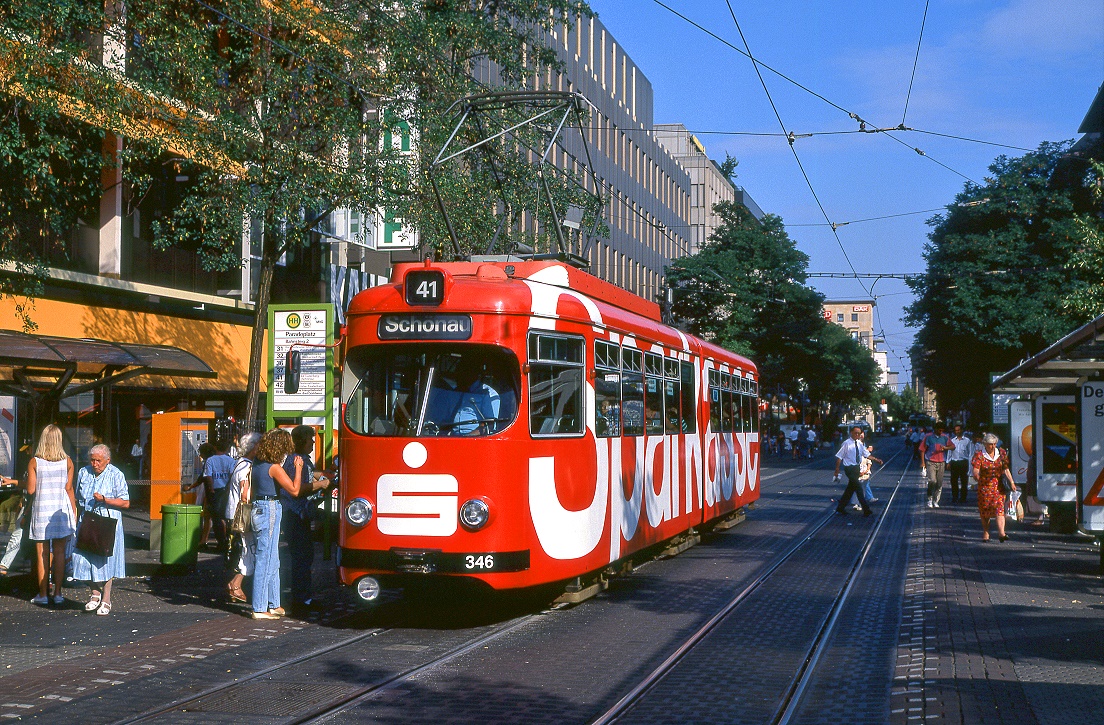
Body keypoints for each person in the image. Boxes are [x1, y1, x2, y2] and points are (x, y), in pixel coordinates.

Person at [249, 429, 304, 620]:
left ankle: (274, 603)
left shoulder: (257, 463)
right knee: (265, 559)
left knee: (272, 557)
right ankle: (259, 607)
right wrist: (298, 468)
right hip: (270, 507)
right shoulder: (274, 468)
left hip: (259, 507)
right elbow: (295, 490)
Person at [70, 444, 129, 615]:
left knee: (104, 560)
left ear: (107, 461)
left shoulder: (116, 474)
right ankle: (94, 593)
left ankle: (106, 598)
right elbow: (78, 498)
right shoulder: (84, 472)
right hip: (87, 519)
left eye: (99, 461)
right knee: (81, 558)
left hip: (107, 521)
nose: (95, 464)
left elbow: (125, 502)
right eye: (92, 460)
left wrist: (105, 499)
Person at [281, 426, 330, 615]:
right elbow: (298, 488)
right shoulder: (296, 462)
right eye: (311, 438)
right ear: (302, 441)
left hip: (300, 514)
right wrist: (322, 484)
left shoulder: (304, 461)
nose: (314, 442)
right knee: (301, 557)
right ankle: (301, 600)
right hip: (295, 514)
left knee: (305, 556)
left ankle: (304, 597)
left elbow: (309, 475)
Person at [26, 425, 76, 605]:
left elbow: (31, 490)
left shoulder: (35, 462)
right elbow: (69, 489)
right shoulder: (68, 462)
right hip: (60, 512)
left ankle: (43, 594)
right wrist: (74, 513)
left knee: (42, 553)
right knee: (60, 552)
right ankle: (58, 593)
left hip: (42, 511)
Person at [226, 431, 262, 604]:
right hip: (242, 515)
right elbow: (245, 493)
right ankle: (236, 584)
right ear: (253, 447)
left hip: (232, 513)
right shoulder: (247, 466)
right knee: (249, 550)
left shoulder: (238, 463)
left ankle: (236, 584)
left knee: (245, 549)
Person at [971, 433, 1017, 542]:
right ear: (985, 444)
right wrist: (977, 476)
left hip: (998, 486)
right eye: (990, 444)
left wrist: (1012, 482)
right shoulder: (979, 455)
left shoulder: (1001, 453)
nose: (992, 446)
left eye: (994, 444)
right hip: (984, 487)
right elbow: (976, 470)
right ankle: (986, 532)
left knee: (999, 509)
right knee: (985, 511)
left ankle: (1002, 533)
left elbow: (1006, 469)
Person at [834, 426, 880, 516]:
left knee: (850, 490)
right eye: (855, 433)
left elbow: (866, 454)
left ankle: (840, 508)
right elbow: (839, 457)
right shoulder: (846, 443)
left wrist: (876, 459)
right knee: (859, 489)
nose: (857, 435)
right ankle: (866, 509)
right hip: (849, 468)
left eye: (859, 433)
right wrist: (837, 469)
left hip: (856, 468)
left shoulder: (859, 443)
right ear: (851, 433)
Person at [200, 439, 235, 558]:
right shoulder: (231, 461)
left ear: (215, 448)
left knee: (216, 518)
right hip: (225, 490)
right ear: (226, 449)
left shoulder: (210, 460)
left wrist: (211, 489)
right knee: (225, 517)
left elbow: (208, 476)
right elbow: (231, 476)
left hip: (215, 490)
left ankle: (221, 542)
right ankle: (227, 542)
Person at [920, 422, 954, 508]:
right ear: (935, 429)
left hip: (941, 462)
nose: (940, 432)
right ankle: (930, 498)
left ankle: (936, 500)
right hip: (930, 461)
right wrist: (923, 463)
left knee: (939, 483)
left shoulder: (945, 437)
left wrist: (945, 448)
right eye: (939, 430)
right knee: (932, 481)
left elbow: (953, 447)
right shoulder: (928, 437)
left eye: (942, 430)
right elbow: (922, 449)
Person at [946, 424, 973, 504]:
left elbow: (970, 453)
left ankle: (963, 498)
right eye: (956, 430)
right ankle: (955, 497)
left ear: (962, 430)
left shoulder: (967, 441)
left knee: (964, 481)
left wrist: (970, 465)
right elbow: (949, 451)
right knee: (953, 481)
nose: (957, 432)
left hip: (963, 462)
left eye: (959, 430)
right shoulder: (952, 440)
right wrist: (948, 462)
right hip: (954, 462)